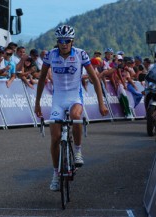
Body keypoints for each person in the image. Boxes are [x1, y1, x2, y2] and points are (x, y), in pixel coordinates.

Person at [34, 25, 108, 191]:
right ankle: (55, 174)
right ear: (57, 42)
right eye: (61, 41)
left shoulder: (81, 54)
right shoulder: (50, 55)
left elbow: (95, 80)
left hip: (75, 96)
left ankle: (78, 150)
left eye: (67, 41)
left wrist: (101, 103)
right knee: (55, 138)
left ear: (72, 41)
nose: (64, 43)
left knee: (75, 115)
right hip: (58, 99)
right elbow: (41, 80)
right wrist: (37, 102)